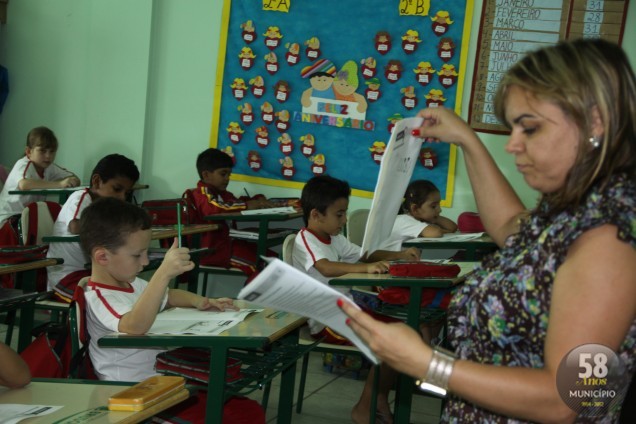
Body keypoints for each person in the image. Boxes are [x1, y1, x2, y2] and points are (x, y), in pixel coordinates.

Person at [339, 38, 636, 422]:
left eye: (529, 129)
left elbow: (572, 398)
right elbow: (513, 230)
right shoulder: (578, 207)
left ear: (595, 121)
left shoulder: (609, 241)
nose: (513, 145)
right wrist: (467, 141)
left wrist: (428, 363)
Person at [293, 175, 419, 423]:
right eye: (339, 214)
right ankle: (367, 406)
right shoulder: (305, 239)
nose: (344, 220)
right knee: (389, 344)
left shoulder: (335, 238)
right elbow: (326, 267)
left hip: (347, 311)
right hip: (324, 320)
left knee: (402, 332)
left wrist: (399, 255)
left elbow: (364, 256)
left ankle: (375, 399)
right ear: (316, 215)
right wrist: (367, 270)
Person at [79, 197, 236, 382]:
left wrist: (200, 301)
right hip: (130, 386)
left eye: (147, 253)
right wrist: (162, 274)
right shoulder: (99, 297)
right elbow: (134, 325)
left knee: (226, 380)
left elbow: (169, 296)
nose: (145, 262)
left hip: (159, 374)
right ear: (103, 257)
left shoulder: (131, 282)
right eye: (138, 255)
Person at [46, 154, 140, 303]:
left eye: (126, 193)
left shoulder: (108, 207)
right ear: (97, 182)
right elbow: (75, 226)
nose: (122, 197)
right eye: (117, 189)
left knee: (130, 292)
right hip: (66, 276)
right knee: (103, 300)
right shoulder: (81, 197)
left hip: (91, 273)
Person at [190, 148, 275, 276]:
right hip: (215, 251)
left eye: (229, 175)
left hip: (230, 244)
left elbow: (235, 202)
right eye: (223, 174)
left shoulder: (223, 194)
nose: (227, 179)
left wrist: (258, 199)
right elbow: (214, 208)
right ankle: (252, 296)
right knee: (260, 267)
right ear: (206, 175)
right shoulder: (201, 193)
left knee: (274, 259)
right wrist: (247, 205)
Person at [0, 126, 80, 246]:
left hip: (28, 220)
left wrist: (71, 180)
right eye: (42, 151)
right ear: (29, 152)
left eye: (52, 151)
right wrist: (59, 184)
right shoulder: (23, 164)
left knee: (55, 220)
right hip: (8, 221)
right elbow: (24, 184)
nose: (48, 156)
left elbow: (74, 177)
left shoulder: (49, 167)